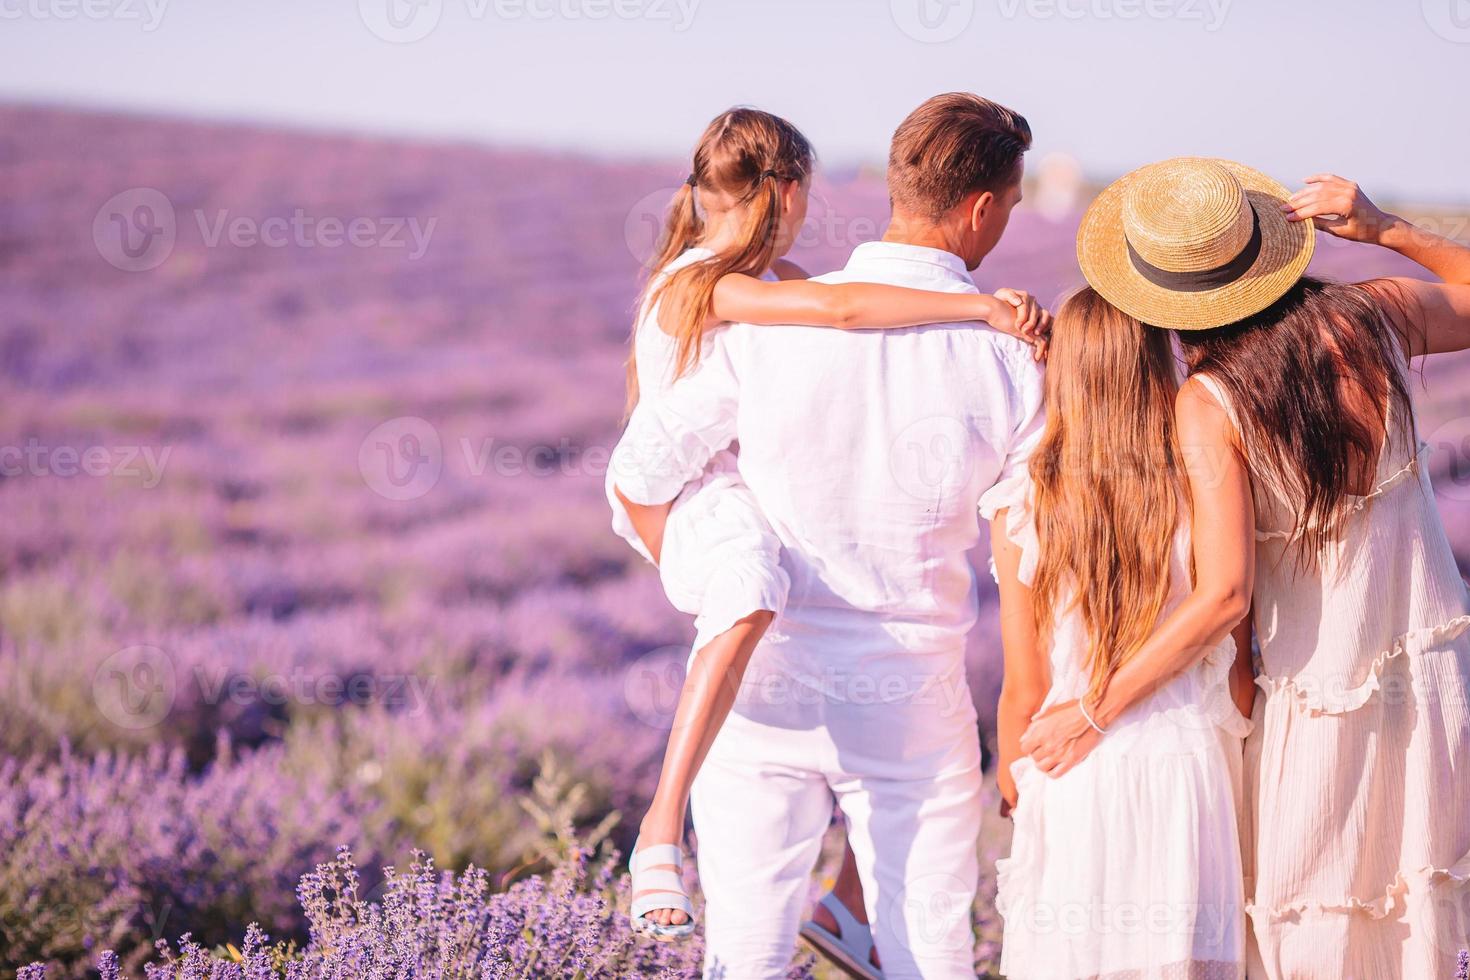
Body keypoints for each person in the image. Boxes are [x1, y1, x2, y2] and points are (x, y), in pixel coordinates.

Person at [611, 92, 1045, 978]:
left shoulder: (766, 323)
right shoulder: (1014, 355)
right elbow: (1026, 558)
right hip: (908, 697)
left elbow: (642, 466)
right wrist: (1022, 714)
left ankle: (692, 856)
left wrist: (692, 569)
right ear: (982, 208)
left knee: (743, 958)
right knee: (928, 956)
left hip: (763, 685)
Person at [1022, 157, 1470, 978]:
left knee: (1315, 928)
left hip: (1318, 695)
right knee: (1422, 922)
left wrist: (1093, 709)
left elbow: (1224, 594)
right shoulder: (1378, 314)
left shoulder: (1210, 402)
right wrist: (1387, 229)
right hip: (1436, 673)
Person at [984, 283, 1256, 978]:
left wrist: (1018, 793)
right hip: (1187, 766)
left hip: (1069, 763)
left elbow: (1025, 686)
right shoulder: (1204, 478)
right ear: (1155, 362)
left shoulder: (1023, 501)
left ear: (1063, 369)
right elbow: (1238, 663)